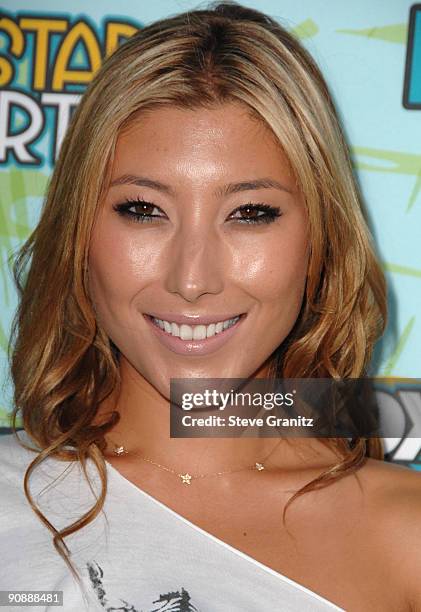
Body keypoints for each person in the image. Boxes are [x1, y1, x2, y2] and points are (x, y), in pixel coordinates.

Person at [1, 3, 421, 611]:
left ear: (320, 241)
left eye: (250, 214)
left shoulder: (405, 538)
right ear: (79, 234)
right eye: (143, 210)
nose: (191, 280)